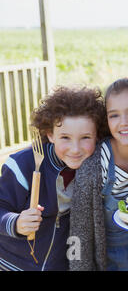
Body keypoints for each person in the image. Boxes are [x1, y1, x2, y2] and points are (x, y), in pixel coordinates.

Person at [0, 86, 108, 271]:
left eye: (85, 137)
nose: (75, 149)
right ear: (50, 134)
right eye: (65, 137)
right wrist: (16, 222)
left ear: (97, 136)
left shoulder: (94, 170)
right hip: (12, 265)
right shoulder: (23, 165)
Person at [69, 76, 128, 271]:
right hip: (112, 261)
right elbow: (79, 228)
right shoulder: (95, 165)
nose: (123, 123)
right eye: (114, 115)